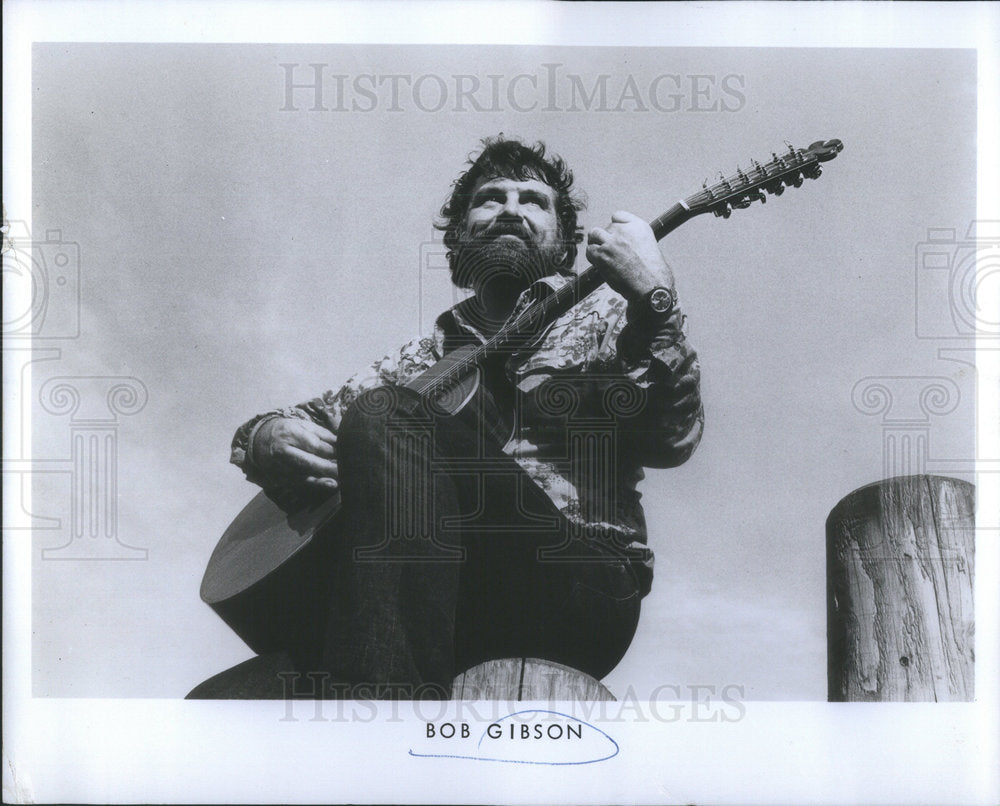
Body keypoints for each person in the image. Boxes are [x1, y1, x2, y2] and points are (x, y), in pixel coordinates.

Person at [190, 136, 703, 699]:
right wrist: (266, 436)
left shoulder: (610, 311)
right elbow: (311, 416)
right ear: (459, 235)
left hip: (577, 585)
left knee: (387, 414)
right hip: (427, 606)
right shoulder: (425, 356)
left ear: (566, 242)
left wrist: (654, 296)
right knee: (220, 707)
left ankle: (382, 736)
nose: (510, 209)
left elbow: (673, 437)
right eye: (491, 198)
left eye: (533, 200)